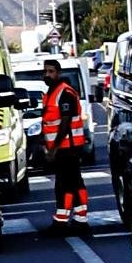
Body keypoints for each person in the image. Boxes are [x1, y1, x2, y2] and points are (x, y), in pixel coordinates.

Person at [42, 64, 92, 232]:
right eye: (45, 71)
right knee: (74, 182)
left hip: (68, 147)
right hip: (62, 147)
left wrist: (53, 149)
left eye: (51, 71)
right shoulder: (51, 93)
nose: (47, 74)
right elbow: (49, 123)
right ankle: (80, 219)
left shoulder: (65, 93)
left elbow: (65, 124)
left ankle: (62, 221)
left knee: (64, 184)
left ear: (58, 73)